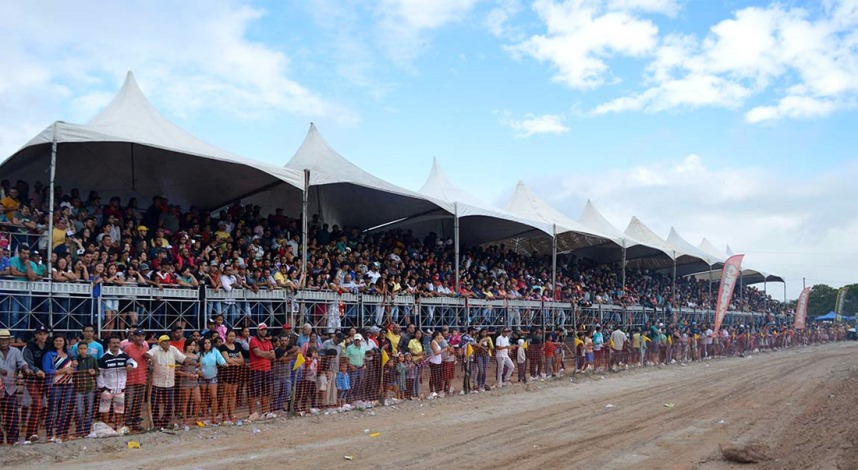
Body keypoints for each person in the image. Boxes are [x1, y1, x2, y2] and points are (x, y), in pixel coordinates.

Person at [145, 335, 189, 430]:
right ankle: (156, 423)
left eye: (168, 341)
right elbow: (146, 354)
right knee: (155, 404)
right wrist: (151, 359)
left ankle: (164, 423)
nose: (167, 343)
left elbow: (183, 358)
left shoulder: (173, 349)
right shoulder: (155, 350)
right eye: (165, 341)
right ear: (160, 343)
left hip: (169, 383)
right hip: (157, 383)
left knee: (169, 404)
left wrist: (194, 362)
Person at [97, 335, 137, 431]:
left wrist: (130, 365)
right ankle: (104, 428)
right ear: (109, 344)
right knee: (104, 410)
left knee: (119, 410)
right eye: (113, 343)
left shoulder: (124, 356)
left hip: (120, 389)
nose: (116, 345)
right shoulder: (103, 358)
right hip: (107, 389)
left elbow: (134, 363)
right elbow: (99, 373)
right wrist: (102, 387)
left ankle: (117, 427)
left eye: (117, 343)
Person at [1, 328, 31, 444]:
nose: (3, 342)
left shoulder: (15, 351)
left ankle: (12, 440)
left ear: (9, 340)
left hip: (10, 388)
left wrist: (26, 369)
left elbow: (21, 362)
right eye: (1, 340)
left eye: (6, 339)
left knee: (12, 415)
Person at [42, 333, 75, 442]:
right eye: (56, 341)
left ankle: (60, 433)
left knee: (64, 410)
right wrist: (61, 371)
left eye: (60, 341)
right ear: (53, 342)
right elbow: (46, 370)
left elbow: (73, 369)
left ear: (64, 342)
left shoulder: (69, 354)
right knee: (53, 410)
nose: (58, 343)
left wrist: (72, 370)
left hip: (68, 385)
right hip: (54, 385)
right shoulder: (49, 354)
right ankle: (50, 433)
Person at [22, 325, 48, 442]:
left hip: (46, 379)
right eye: (40, 334)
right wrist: (37, 370)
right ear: (36, 335)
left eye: (44, 333)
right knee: (37, 404)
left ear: (47, 335)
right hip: (32, 379)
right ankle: (30, 433)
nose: (42, 336)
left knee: (42, 406)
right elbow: (27, 362)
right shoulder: (29, 347)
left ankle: (34, 433)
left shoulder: (50, 346)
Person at [122, 328, 149, 431]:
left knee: (138, 403)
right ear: (133, 337)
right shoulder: (128, 348)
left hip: (141, 379)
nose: (140, 338)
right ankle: (127, 423)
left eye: (142, 336)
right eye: (138, 336)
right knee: (128, 403)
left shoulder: (145, 348)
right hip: (130, 380)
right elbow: (124, 360)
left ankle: (136, 423)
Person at [249, 323, 275, 418]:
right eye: (261, 330)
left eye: (265, 329)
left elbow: (273, 355)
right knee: (254, 392)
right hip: (256, 369)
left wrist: (263, 353)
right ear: (258, 330)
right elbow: (257, 353)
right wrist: (268, 353)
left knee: (266, 392)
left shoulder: (268, 341)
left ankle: (264, 411)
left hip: (267, 369)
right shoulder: (253, 340)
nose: (263, 331)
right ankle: (252, 412)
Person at [218, 330, 244, 423]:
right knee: (226, 394)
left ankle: (231, 413)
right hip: (227, 373)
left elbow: (242, 360)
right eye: (230, 336)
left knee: (233, 394)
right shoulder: (223, 346)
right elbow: (227, 360)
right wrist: (236, 361)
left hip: (236, 373)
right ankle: (224, 415)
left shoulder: (237, 346)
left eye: (233, 336)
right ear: (226, 336)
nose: (232, 338)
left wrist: (233, 361)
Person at [74, 342, 99, 437]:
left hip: (90, 388)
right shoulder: (76, 360)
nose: (82, 350)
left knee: (89, 410)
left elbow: (98, 372)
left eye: (84, 348)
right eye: (80, 349)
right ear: (77, 350)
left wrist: (94, 372)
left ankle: (87, 430)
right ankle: (79, 430)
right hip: (78, 388)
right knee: (79, 410)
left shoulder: (92, 359)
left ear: (87, 349)